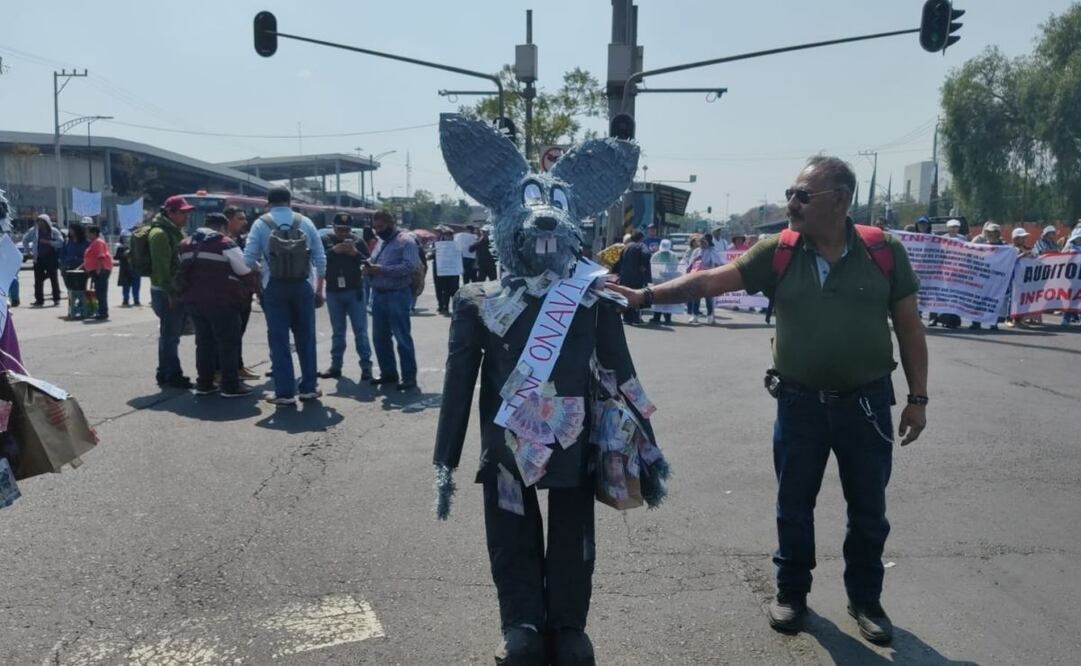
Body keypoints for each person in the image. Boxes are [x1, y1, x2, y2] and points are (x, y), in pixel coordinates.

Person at [610, 155, 929, 645]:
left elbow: (909, 326)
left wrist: (918, 398)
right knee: (793, 504)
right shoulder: (776, 251)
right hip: (799, 404)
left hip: (865, 407)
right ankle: (792, 594)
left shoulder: (883, 251)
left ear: (840, 201)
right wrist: (643, 296)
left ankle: (865, 600)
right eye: (791, 193)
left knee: (868, 509)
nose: (792, 203)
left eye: (804, 195)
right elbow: (709, 281)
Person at [243, 187, 327, 406]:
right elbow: (320, 258)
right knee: (306, 338)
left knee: (279, 340)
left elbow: (248, 259)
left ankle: (284, 393)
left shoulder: (261, 223)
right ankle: (308, 388)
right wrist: (319, 289)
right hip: (303, 286)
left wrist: (264, 269)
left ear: (268, 202)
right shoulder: (306, 222)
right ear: (290, 201)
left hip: (274, 287)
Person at [176, 212, 255, 398]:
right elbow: (244, 269)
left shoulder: (185, 244)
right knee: (228, 343)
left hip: (194, 301)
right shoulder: (225, 243)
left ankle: (204, 383)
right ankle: (230, 386)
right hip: (223, 302)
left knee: (204, 342)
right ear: (223, 227)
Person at [364, 209, 419, 391]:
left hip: (398, 294)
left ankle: (409, 377)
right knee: (380, 338)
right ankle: (389, 373)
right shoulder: (381, 242)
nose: (377, 230)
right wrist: (367, 266)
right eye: (375, 227)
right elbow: (372, 260)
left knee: (402, 337)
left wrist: (382, 270)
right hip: (379, 295)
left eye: (380, 226)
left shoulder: (406, 241)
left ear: (390, 223)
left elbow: (409, 267)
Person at [318, 213, 373, 382]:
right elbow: (317, 259)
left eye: (346, 230)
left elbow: (368, 262)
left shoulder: (357, 241)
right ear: (333, 228)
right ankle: (336, 365)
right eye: (340, 229)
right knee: (338, 332)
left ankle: (366, 367)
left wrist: (355, 253)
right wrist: (333, 251)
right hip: (334, 292)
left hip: (354, 291)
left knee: (360, 331)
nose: (343, 233)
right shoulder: (325, 240)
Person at [147, 196, 194, 388]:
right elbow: (162, 269)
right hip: (166, 291)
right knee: (170, 335)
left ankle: (165, 372)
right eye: (183, 212)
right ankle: (172, 374)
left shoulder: (173, 231)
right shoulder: (160, 234)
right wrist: (171, 292)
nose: (187, 216)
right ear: (170, 212)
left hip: (172, 290)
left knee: (169, 334)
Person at [223, 205, 259, 381]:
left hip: (244, 293)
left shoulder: (241, 239)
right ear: (228, 220)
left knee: (239, 332)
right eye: (241, 218)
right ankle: (228, 371)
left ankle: (238, 366)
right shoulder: (223, 241)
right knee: (230, 334)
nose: (245, 222)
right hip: (231, 293)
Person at [970, 222, 1005, 330]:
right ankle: (976, 322)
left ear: (997, 233)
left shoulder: (1004, 246)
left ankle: (993, 322)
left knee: (993, 300)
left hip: (996, 278)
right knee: (978, 299)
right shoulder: (982, 245)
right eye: (989, 232)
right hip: (982, 276)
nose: (990, 234)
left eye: (993, 232)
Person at [612, 231, 651, 325]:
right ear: (641, 239)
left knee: (625, 296)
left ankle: (626, 318)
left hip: (625, 277)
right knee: (636, 295)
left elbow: (619, 262)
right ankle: (636, 319)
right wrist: (643, 265)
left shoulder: (625, 247)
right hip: (636, 277)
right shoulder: (641, 245)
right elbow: (647, 254)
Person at [685, 232, 724, 324]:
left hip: (708, 277)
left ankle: (710, 316)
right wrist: (694, 261)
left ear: (708, 242)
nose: (701, 243)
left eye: (704, 241)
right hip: (696, 277)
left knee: (708, 297)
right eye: (700, 241)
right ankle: (694, 316)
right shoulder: (696, 251)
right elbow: (690, 264)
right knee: (696, 297)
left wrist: (709, 266)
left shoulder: (712, 251)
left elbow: (718, 263)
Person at [25, 214, 63, 307]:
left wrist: (49, 242)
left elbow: (61, 243)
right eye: (38, 221)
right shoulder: (34, 231)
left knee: (53, 278)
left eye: (42, 221)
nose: (40, 224)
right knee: (38, 280)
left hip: (51, 257)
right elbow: (25, 240)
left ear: (47, 222)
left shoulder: (53, 231)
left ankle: (56, 298)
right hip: (38, 258)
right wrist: (29, 251)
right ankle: (39, 299)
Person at [79, 225, 112, 321]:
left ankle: (103, 313)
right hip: (96, 271)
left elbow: (101, 256)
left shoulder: (98, 242)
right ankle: (101, 311)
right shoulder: (93, 243)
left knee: (101, 292)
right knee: (98, 292)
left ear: (93, 233)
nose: (86, 234)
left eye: (88, 232)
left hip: (101, 270)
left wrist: (98, 270)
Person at [648, 238, 680, 324]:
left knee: (662, 298)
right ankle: (660, 317)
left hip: (662, 280)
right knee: (662, 299)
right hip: (663, 280)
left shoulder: (671, 255)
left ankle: (663, 317)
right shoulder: (657, 255)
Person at [431, 226, 461, 315]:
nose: (448, 237)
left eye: (450, 235)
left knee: (455, 290)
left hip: (454, 271)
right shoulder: (438, 244)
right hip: (442, 271)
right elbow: (433, 255)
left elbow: (460, 256)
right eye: (447, 235)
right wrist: (433, 253)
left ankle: (456, 307)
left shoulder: (456, 244)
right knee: (444, 289)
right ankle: (444, 307)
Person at [114, 231, 141, 307]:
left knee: (135, 285)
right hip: (125, 269)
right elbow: (116, 257)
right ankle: (126, 300)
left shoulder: (136, 247)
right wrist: (124, 255)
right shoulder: (120, 247)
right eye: (125, 238)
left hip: (134, 269)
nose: (127, 240)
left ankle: (136, 300)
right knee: (126, 285)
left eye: (129, 238)